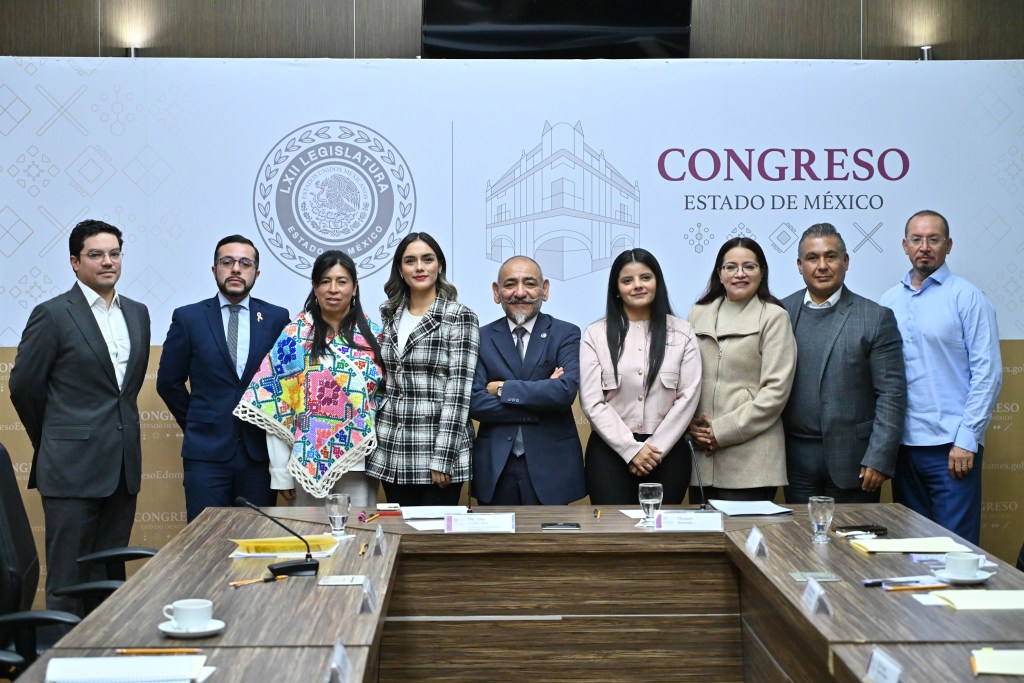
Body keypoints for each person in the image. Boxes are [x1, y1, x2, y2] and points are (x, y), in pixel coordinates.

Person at [9, 219, 150, 617]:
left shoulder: (138, 314)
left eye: (114, 253)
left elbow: (126, 390)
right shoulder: (52, 314)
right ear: (74, 262)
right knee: (69, 583)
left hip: (122, 468)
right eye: (95, 255)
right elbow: (24, 388)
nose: (107, 262)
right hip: (70, 469)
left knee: (109, 581)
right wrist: (57, 438)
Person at [880, 210, 1002, 544]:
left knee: (954, 550)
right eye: (917, 239)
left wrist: (968, 437)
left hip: (952, 449)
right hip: (903, 448)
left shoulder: (968, 298)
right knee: (911, 552)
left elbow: (988, 373)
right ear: (904, 246)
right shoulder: (888, 302)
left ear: (948, 245)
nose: (925, 247)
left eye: (934, 239)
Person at [234, 251, 384, 506]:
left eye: (342, 281)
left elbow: (384, 402)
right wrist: (281, 474)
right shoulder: (294, 336)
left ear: (355, 287)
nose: (333, 289)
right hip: (304, 465)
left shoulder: (375, 337)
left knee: (361, 538)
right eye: (325, 281)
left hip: (361, 464)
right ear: (315, 287)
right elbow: (277, 406)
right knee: (312, 541)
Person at [157, 235, 290, 522]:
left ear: (257, 272)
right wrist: (197, 421)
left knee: (256, 540)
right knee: (203, 543)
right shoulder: (189, 318)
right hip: (206, 455)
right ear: (214, 268)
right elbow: (168, 382)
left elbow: (286, 386)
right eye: (227, 262)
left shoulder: (277, 318)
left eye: (245, 263)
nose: (236, 269)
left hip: (258, 455)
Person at [781, 224, 906, 504]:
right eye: (813, 258)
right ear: (800, 265)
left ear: (846, 262)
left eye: (831, 256)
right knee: (797, 544)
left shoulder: (874, 317)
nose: (822, 266)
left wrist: (879, 458)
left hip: (856, 461)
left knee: (851, 546)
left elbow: (891, 394)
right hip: (793, 460)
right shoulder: (779, 313)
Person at [579, 249, 702, 505]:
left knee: (662, 536)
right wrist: (631, 449)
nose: (637, 286)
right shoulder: (595, 334)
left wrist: (653, 450)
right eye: (627, 280)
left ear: (657, 282)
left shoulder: (682, 333)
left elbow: (688, 398)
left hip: (667, 454)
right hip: (610, 454)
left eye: (645, 277)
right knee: (613, 538)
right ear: (616, 288)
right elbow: (592, 402)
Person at [367, 232, 479, 507]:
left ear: (439, 265)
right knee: (399, 537)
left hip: (436, 450)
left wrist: (444, 455)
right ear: (400, 270)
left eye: (427, 259)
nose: (419, 267)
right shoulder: (390, 314)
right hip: (391, 448)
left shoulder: (458, 315)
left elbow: (459, 391)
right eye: (410, 261)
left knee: (436, 543)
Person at [687, 237, 796, 502]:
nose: (739, 274)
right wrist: (689, 425)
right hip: (700, 457)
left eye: (749, 266)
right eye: (730, 267)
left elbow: (775, 393)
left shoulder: (774, 317)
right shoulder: (697, 314)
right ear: (719, 274)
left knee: (745, 541)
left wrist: (721, 431)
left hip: (752, 459)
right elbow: (684, 380)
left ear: (762, 272)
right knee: (703, 542)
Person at [469, 256, 585, 505]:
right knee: (494, 544)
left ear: (544, 290)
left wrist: (502, 388)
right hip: (496, 467)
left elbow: (564, 392)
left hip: (551, 467)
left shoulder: (566, 333)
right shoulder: (480, 337)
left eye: (530, 284)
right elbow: (475, 402)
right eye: (510, 284)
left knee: (548, 543)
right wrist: (541, 399)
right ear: (496, 292)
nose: (520, 293)